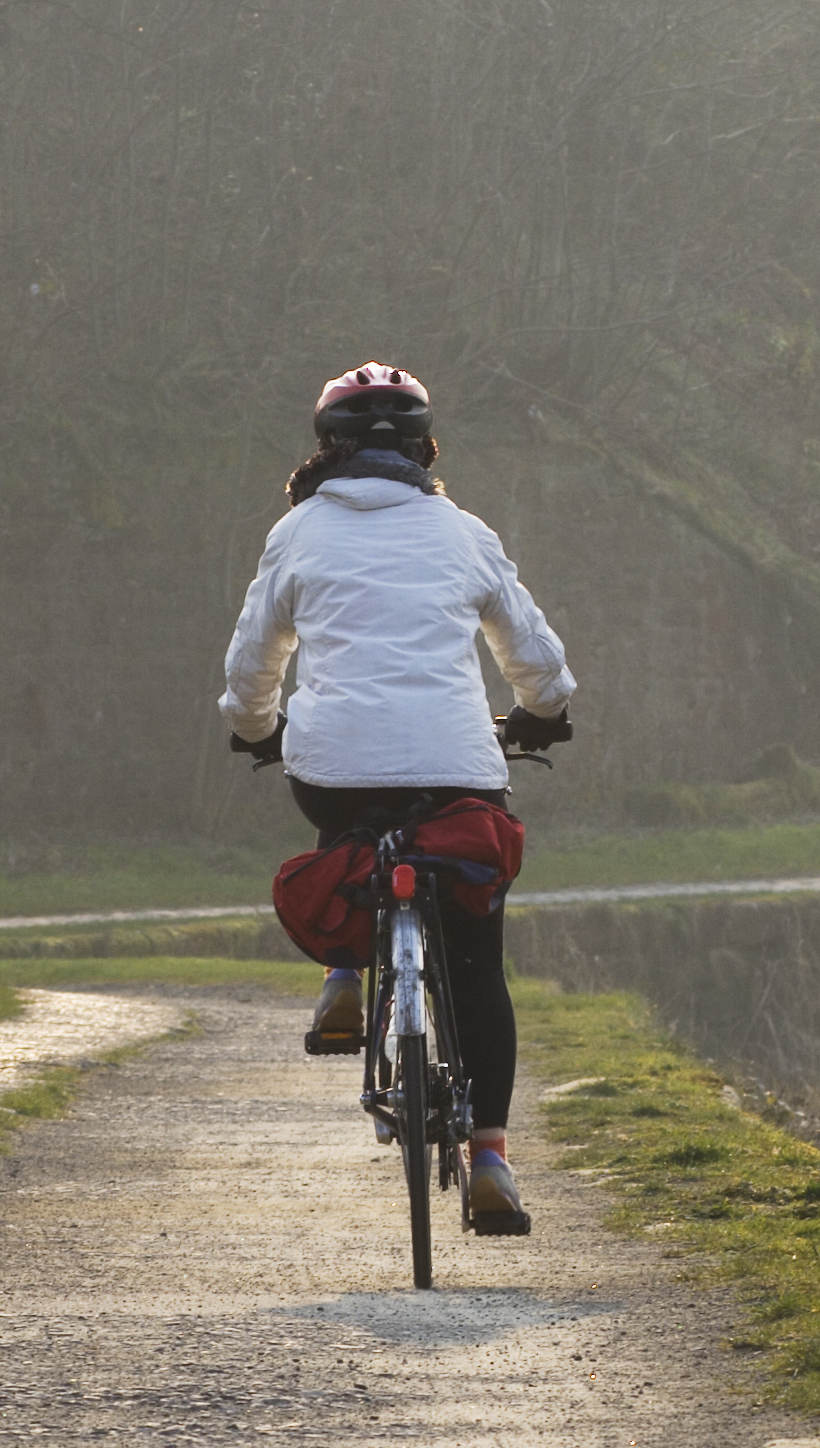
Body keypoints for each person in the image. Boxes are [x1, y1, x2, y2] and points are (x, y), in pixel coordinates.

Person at [220, 362, 576, 1232]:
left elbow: (253, 660)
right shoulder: (462, 532)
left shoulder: (297, 533)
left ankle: (346, 971)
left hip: (333, 771)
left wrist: (255, 726)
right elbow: (532, 652)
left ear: (324, 452)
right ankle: (489, 1158)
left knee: (349, 841)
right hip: (457, 768)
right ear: (425, 450)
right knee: (477, 963)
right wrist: (544, 714)